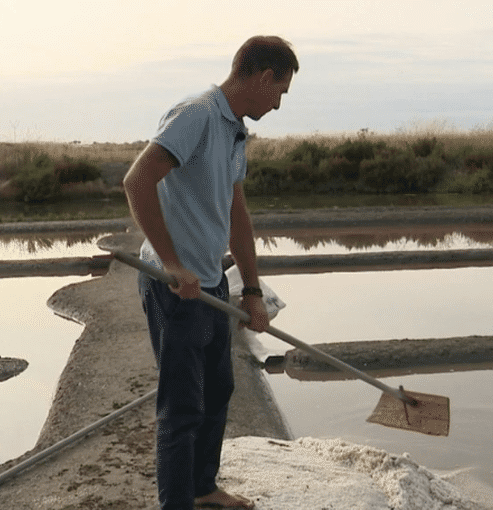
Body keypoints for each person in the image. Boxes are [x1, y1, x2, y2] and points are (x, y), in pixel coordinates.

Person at [123, 36, 298, 510]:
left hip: (210, 283)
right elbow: (137, 180)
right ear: (263, 78)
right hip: (174, 287)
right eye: (280, 91)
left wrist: (253, 292)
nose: (278, 104)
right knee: (182, 409)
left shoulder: (234, 130)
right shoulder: (197, 115)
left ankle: (203, 490)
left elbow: (237, 214)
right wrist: (172, 263)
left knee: (217, 390)